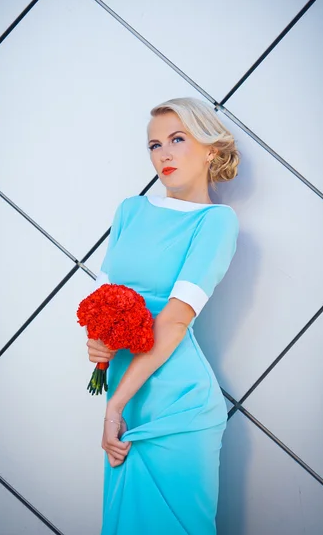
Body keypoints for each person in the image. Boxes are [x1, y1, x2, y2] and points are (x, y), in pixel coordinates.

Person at [87, 97, 240, 534]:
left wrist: (114, 405)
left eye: (177, 139)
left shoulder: (216, 221)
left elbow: (174, 320)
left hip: (178, 405)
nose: (164, 154)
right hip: (127, 398)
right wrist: (96, 342)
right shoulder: (129, 211)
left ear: (211, 148)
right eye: (154, 145)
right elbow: (103, 300)